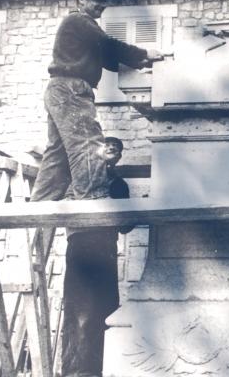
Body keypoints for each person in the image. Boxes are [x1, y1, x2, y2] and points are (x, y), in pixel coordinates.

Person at [30, 0, 161, 202]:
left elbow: (108, 58)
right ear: (81, 0)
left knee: (58, 155)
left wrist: (141, 62)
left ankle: (39, 208)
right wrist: (145, 51)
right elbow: (109, 45)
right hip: (72, 89)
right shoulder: (79, 20)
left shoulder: (80, 30)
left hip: (59, 89)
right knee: (89, 145)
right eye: (96, 1)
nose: (102, 6)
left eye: (104, 2)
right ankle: (93, 201)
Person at [62, 136, 134, 377]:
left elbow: (125, 225)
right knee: (79, 310)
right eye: (107, 146)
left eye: (117, 147)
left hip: (104, 247)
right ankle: (76, 371)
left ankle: (97, 370)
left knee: (103, 308)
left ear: (119, 157)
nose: (112, 148)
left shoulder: (119, 185)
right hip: (81, 244)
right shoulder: (80, 180)